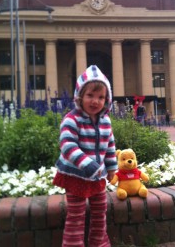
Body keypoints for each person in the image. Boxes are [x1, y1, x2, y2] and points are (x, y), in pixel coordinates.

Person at [53, 65, 118, 247]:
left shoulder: (105, 121)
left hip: (98, 177)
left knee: (100, 213)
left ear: (107, 100)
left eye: (101, 97)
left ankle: (99, 243)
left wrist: (112, 167)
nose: (95, 101)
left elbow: (110, 145)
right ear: (80, 96)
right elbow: (67, 145)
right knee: (76, 215)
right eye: (90, 95)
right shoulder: (71, 119)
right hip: (76, 176)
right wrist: (86, 164)